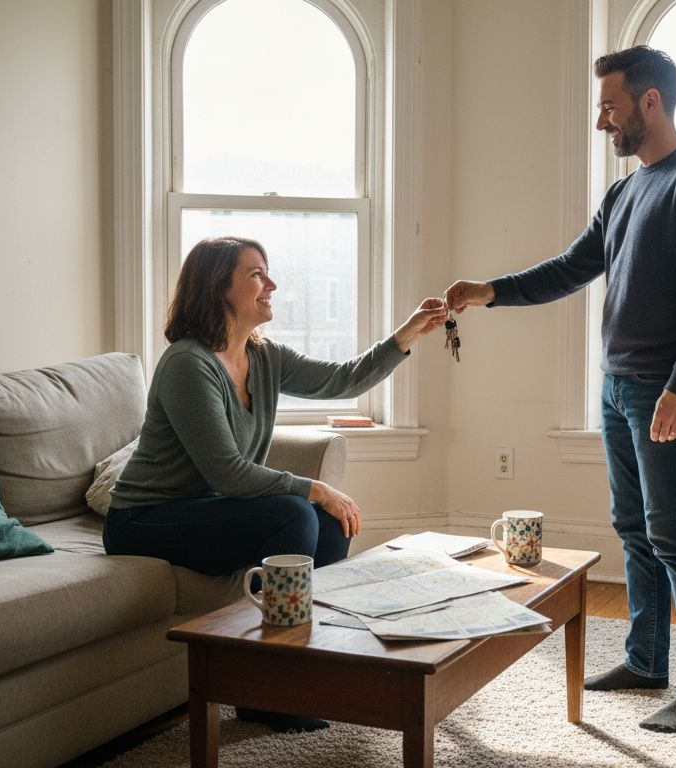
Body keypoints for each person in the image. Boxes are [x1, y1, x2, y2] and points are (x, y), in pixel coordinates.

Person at [443, 46, 676, 733]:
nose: (602, 120)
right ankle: (644, 659)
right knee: (635, 530)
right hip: (619, 387)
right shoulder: (626, 191)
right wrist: (490, 293)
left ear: (650, 101)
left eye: (610, 105)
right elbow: (572, 267)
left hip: (666, 391)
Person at [106, 235, 446, 732]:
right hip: (144, 520)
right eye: (256, 274)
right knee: (294, 511)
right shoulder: (187, 364)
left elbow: (344, 380)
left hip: (206, 509)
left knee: (329, 527)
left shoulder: (262, 356)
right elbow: (226, 470)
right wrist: (313, 486)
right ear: (216, 287)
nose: (272, 284)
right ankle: (265, 691)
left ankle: (298, 670)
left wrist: (407, 334)